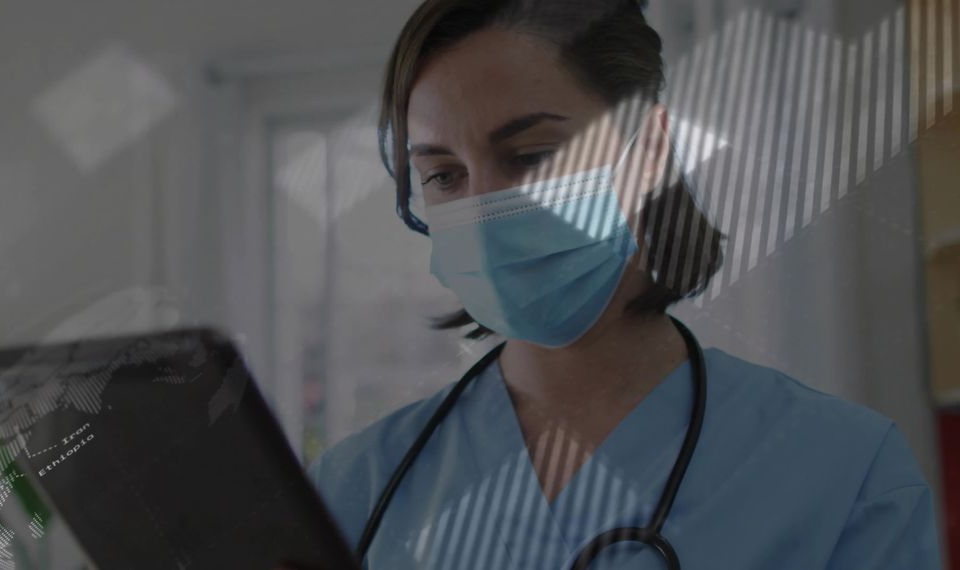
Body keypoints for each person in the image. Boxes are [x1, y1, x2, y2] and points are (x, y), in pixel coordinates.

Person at [301, 0, 943, 568]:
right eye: (443, 175)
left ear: (653, 149)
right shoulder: (358, 487)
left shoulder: (843, 474)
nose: (485, 207)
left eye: (530, 155)